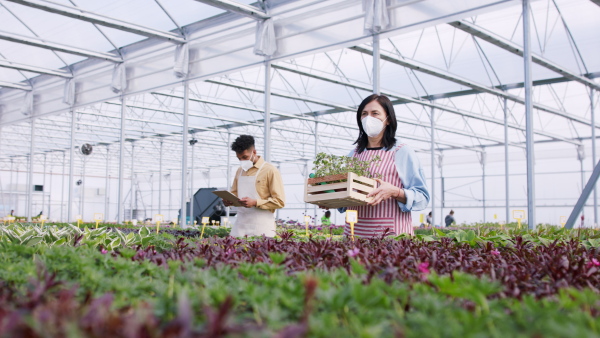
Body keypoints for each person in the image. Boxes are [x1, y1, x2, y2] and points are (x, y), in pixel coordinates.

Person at [340, 94, 430, 237]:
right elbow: (347, 199)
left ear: (388, 119)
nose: (368, 118)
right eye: (364, 114)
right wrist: (331, 199)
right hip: (354, 234)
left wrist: (395, 192)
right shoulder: (354, 154)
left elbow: (422, 197)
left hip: (391, 236)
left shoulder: (402, 152)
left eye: (375, 113)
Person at [223, 135, 285, 237]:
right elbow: (234, 193)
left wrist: (255, 202)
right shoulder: (239, 171)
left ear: (254, 152)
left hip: (262, 225)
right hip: (241, 224)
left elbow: (280, 201)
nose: (242, 161)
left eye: (245, 157)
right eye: (239, 158)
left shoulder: (270, 170)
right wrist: (228, 200)